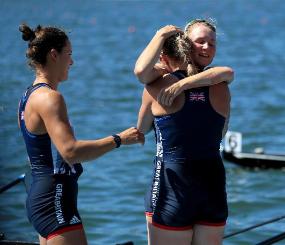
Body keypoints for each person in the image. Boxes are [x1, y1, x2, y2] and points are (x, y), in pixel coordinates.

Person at [18, 24, 144, 245]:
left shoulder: (28, 95)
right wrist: (119, 139)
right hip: (54, 198)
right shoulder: (49, 98)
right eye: (69, 54)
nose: (72, 62)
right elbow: (70, 152)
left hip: (43, 195)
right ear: (54, 55)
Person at [137, 30, 230, 245]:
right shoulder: (221, 87)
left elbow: (141, 129)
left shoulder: (156, 87)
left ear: (164, 56)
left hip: (172, 186)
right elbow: (222, 131)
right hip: (212, 183)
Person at [134, 19, 234, 106]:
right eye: (200, 41)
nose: (207, 47)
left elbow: (228, 72)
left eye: (212, 43)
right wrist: (161, 35)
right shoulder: (164, 71)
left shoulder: (212, 74)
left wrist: (182, 84)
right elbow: (141, 71)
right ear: (187, 45)